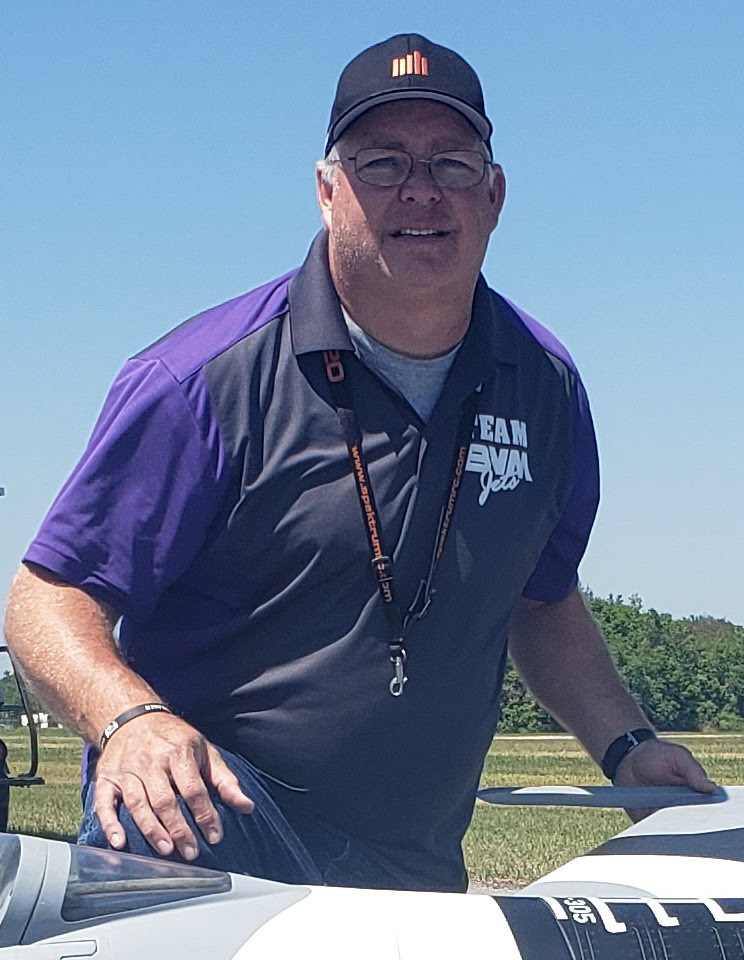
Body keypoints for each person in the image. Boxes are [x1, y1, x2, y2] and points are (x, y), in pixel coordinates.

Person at [4, 33, 715, 892]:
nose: (420, 188)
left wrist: (627, 744)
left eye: (451, 162)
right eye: (381, 162)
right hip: (206, 844)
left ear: (494, 194)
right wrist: (130, 720)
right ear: (327, 190)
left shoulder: (545, 385)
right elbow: (47, 600)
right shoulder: (200, 381)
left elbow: (542, 596)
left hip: (411, 867)